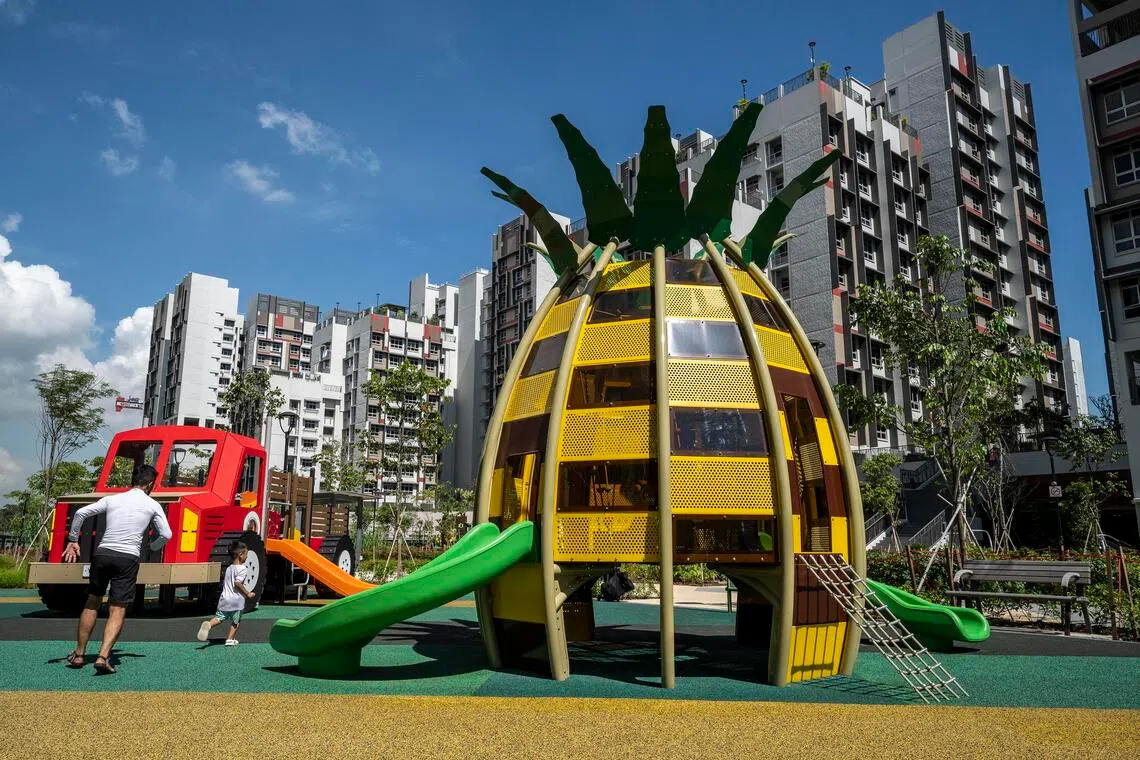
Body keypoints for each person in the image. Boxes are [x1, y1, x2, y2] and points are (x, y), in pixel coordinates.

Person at [62, 464, 172, 674]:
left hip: (103, 554)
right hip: (127, 558)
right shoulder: (152, 504)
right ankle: (103, 657)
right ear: (150, 484)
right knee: (117, 608)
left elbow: (81, 513)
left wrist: (73, 539)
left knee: (92, 601)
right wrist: (152, 547)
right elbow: (166, 534)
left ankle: (79, 654)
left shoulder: (112, 499)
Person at [196, 541, 254, 646]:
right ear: (241, 555)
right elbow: (237, 583)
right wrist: (247, 593)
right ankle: (230, 639)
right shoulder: (242, 569)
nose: (246, 557)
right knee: (236, 621)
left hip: (225, 598)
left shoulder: (229, 568)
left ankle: (209, 624)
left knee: (219, 617)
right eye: (246, 554)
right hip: (236, 600)